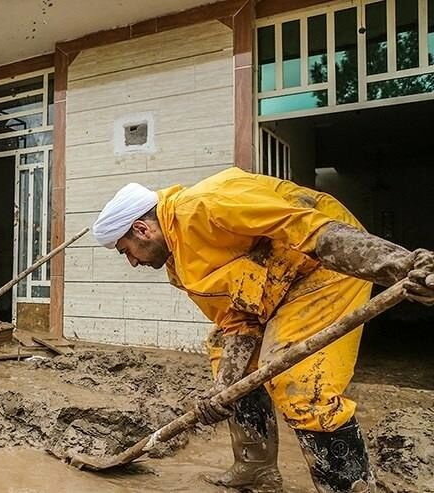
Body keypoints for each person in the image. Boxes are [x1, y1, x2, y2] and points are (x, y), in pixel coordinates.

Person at [92, 168, 434, 493]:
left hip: (324, 266)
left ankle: (350, 486)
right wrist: (223, 389)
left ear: (141, 229)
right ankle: (255, 467)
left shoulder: (208, 204)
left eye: (126, 252)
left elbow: (313, 231)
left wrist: (402, 266)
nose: (132, 262)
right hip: (278, 279)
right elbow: (239, 319)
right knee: (223, 350)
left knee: (298, 380)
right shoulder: (179, 263)